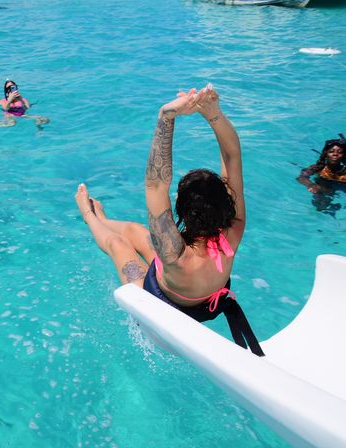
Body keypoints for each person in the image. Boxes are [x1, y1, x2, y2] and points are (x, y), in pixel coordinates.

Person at [75, 84, 263, 355]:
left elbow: (155, 185)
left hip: (162, 304)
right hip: (200, 297)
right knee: (136, 230)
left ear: (180, 207)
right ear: (227, 204)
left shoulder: (174, 252)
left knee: (118, 244)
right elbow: (232, 155)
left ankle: (90, 215)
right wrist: (214, 113)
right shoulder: (233, 231)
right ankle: (103, 217)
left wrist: (167, 117)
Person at [296, 135, 346, 216]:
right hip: (323, 186)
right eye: (331, 151)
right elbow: (301, 177)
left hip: (342, 186)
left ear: (344, 156)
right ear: (326, 154)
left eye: (340, 152)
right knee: (321, 203)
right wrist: (310, 185)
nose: (335, 154)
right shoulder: (317, 168)